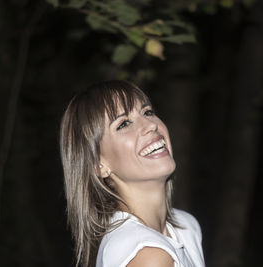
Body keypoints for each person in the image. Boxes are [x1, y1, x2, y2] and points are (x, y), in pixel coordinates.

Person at [60, 80, 205, 267]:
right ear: (98, 165)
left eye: (148, 112)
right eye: (124, 124)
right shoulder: (148, 256)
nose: (150, 125)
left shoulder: (186, 226)